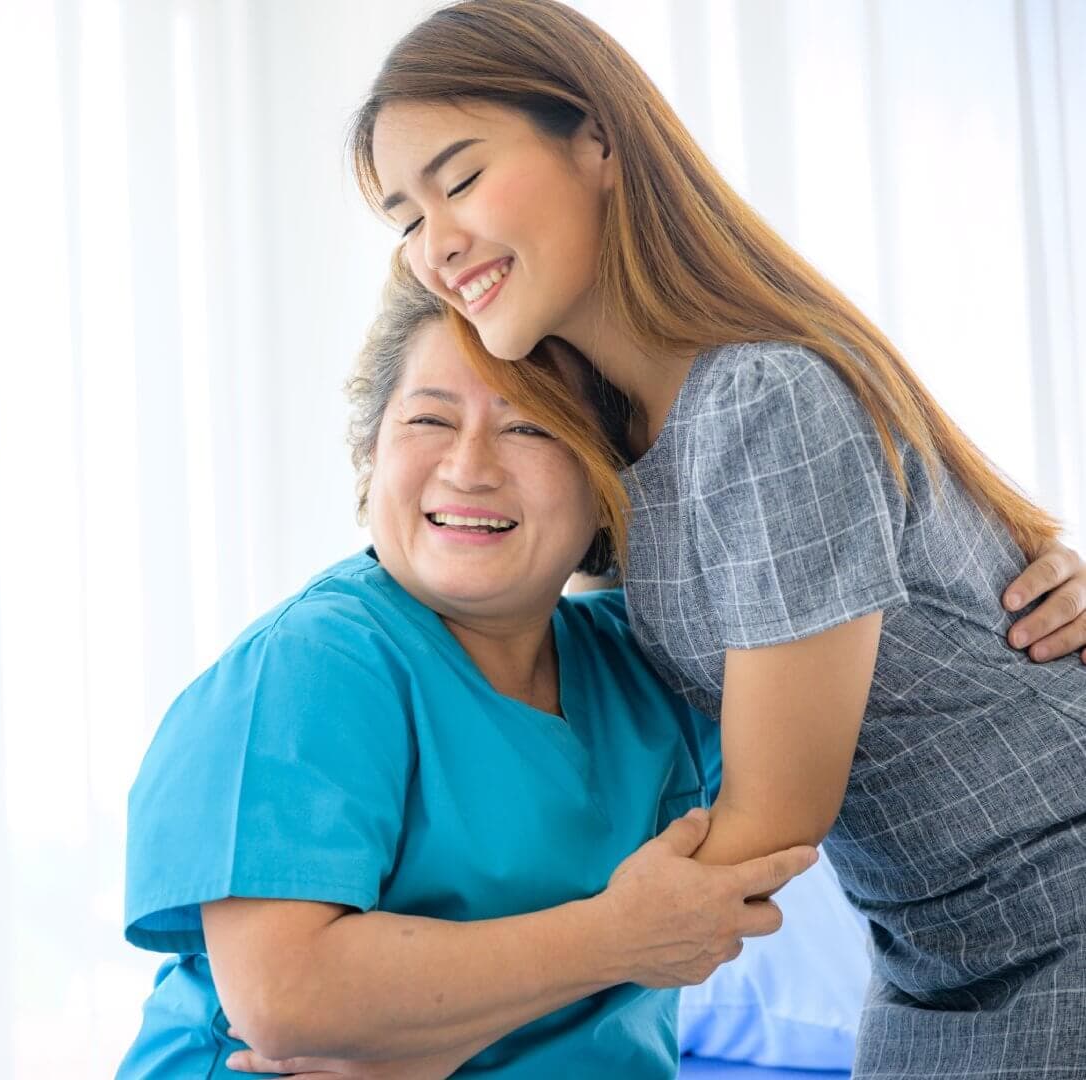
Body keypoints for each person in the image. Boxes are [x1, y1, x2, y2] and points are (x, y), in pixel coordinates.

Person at [117, 263, 1086, 1078]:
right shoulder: (308, 670)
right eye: (427, 421)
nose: (470, 467)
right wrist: (616, 938)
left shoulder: (650, 659)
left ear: (610, 493)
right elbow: (287, 997)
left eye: (532, 427)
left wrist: (1028, 580)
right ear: (370, 460)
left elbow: (853, 634)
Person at [350, 2, 1086, 1074]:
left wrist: (438, 1025)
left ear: (597, 137)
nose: (436, 245)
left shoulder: (761, 398)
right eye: (405, 218)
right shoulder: (612, 445)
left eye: (457, 182)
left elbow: (773, 819)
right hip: (934, 957)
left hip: (1056, 923)